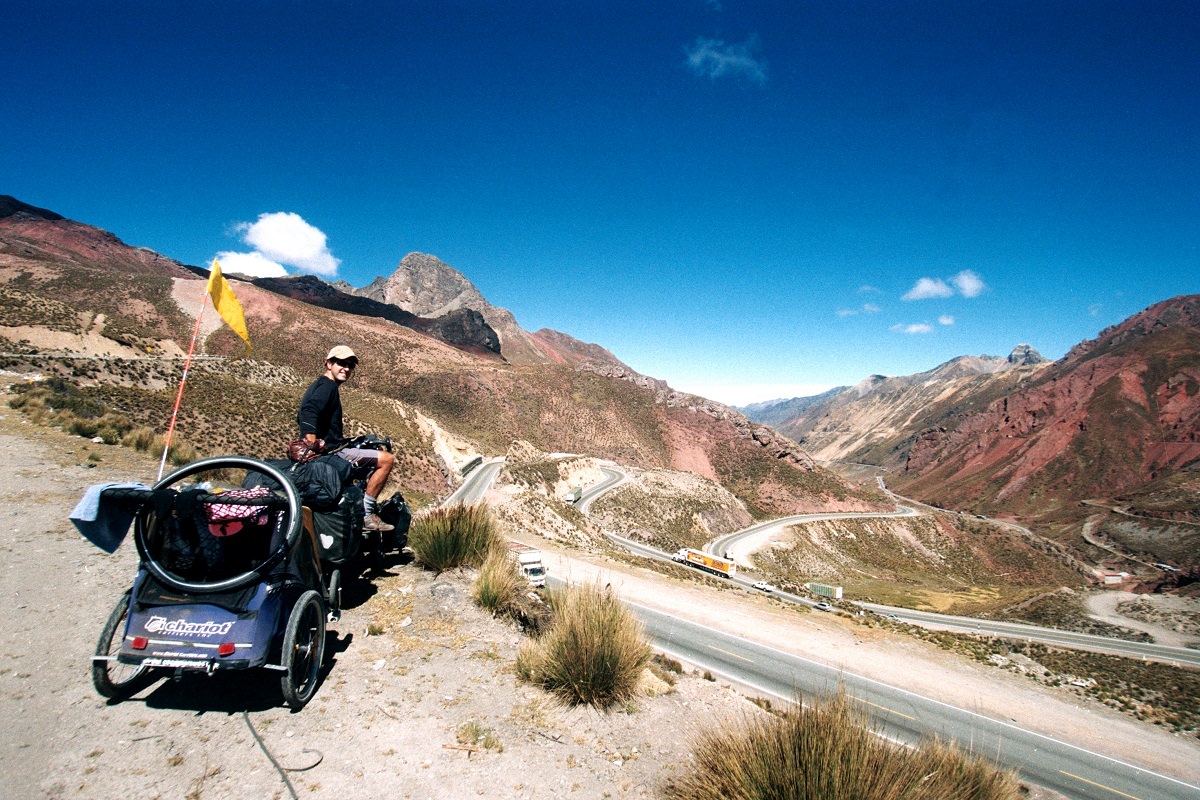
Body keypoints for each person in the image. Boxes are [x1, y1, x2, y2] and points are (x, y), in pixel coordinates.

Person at [297, 345, 395, 532]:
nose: (347, 369)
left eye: (350, 365)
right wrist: (311, 443)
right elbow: (309, 412)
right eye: (341, 363)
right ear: (328, 363)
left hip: (333, 448)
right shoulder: (327, 387)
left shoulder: (323, 385)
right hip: (332, 453)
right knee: (386, 460)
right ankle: (368, 514)